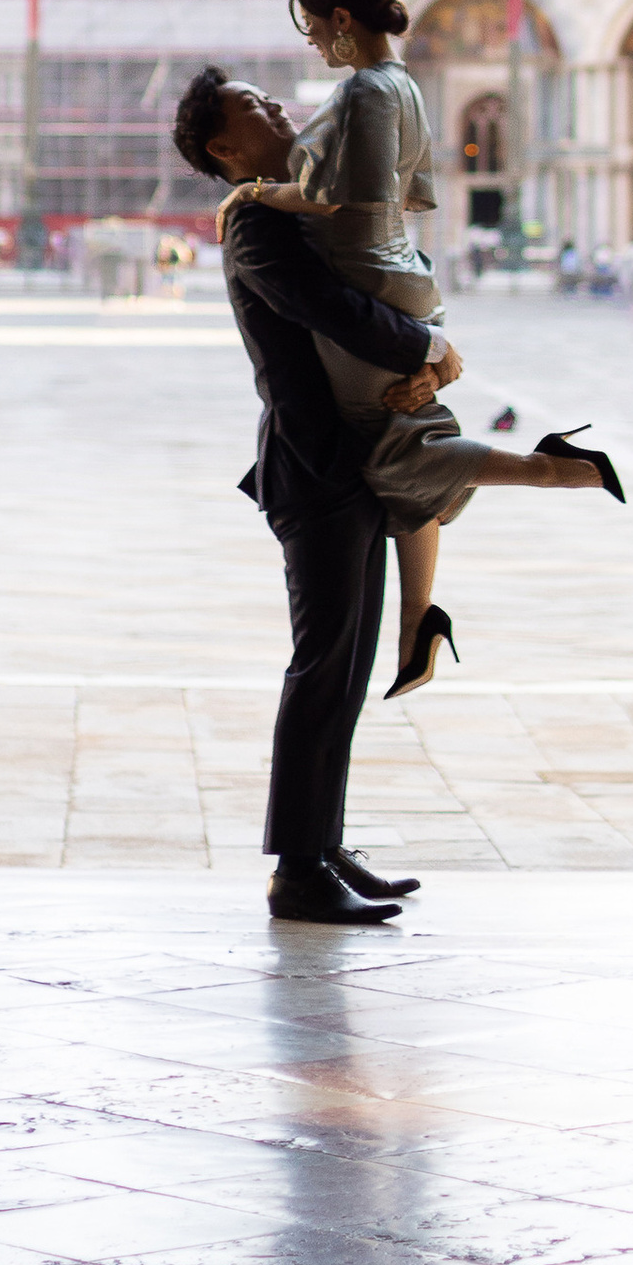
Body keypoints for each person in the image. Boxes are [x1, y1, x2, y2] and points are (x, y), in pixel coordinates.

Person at [200, 0, 622, 699]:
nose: (309, 50)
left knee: (390, 453)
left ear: (339, 20)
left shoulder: (362, 91)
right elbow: (412, 191)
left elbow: (334, 197)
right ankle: (418, 621)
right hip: (406, 269)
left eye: (311, 32)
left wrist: (262, 194)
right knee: (408, 434)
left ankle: (556, 468)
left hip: (374, 281)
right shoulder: (406, 84)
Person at [172, 67, 463, 927]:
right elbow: (328, 306)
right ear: (227, 150)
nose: (276, 107)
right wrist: (428, 343)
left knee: (346, 665)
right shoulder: (257, 225)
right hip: (315, 467)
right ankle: (297, 870)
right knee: (321, 667)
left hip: (347, 461)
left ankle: (324, 842)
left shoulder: (286, 203)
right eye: (255, 109)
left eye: (270, 96)